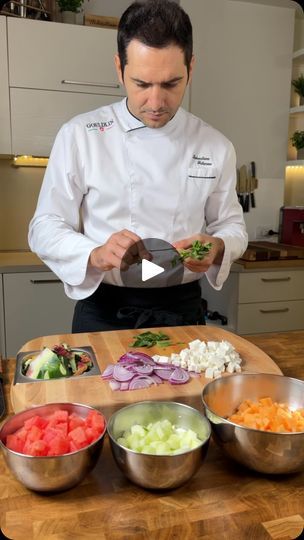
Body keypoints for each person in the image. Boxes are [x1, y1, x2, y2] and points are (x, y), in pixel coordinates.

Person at [28, 0, 248, 333]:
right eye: (142, 84)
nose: (156, 103)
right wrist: (96, 253)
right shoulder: (80, 135)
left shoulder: (215, 145)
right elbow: (44, 226)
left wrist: (218, 247)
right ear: (119, 68)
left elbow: (232, 226)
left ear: (191, 67)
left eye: (171, 84)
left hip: (182, 310)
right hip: (104, 310)